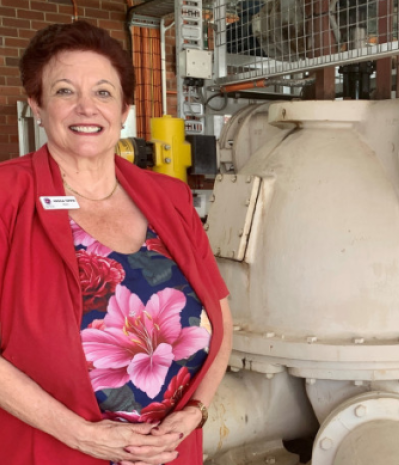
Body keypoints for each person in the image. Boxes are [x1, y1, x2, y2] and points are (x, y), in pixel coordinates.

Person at [0, 21, 233, 465]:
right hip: (53, 451)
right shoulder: (6, 195)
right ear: (36, 103)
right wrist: (82, 436)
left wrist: (197, 413)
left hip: (171, 451)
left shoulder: (169, 197)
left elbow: (221, 316)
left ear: (125, 107)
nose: (86, 108)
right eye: (65, 91)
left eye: (104, 93)